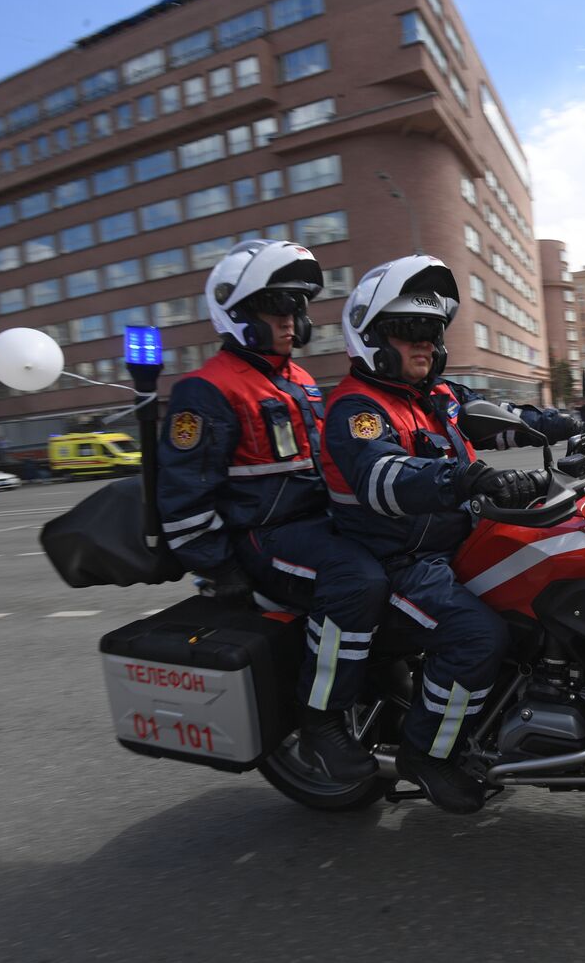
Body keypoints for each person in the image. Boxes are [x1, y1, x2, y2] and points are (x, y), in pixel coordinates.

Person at [321, 255, 580, 814]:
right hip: (398, 561)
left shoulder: (438, 396)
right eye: (409, 330)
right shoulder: (356, 409)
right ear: (371, 337)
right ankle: (427, 754)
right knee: (476, 636)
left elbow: (507, 417)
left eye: (432, 331)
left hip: (456, 544)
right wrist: (470, 475)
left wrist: (577, 425)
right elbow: (382, 476)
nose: (424, 343)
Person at [157, 240, 389, 782]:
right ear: (237, 315)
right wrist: (219, 567)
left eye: (297, 309)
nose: (292, 321)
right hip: (262, 537)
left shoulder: (299, 380)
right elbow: (183, 495)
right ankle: (321, 721)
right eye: (277, 309)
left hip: (314, 524)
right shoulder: (207, 389)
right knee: (356, 581)